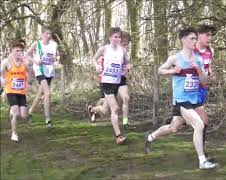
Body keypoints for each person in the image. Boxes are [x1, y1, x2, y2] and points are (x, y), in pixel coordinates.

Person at [144, 27, 218, 169]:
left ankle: (151, 136)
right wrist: (172, 71)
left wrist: (200, 71)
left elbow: (203, 81)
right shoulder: (175, 58)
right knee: (199, 124)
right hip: (181, 99)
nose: (195, 41)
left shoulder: (198, 59)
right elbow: (160, 70)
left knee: (173, 128)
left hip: (193, 99)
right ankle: (202, 161)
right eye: (192, 38)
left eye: (196, 39)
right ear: (183, 40)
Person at [87, 27, 128, 145]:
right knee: (115, 108)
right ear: (110, 38)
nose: (118, 39)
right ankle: (118, 136)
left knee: (105, 110)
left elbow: (127, 62)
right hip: (106, 82)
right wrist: (96, 65)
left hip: (117, 82)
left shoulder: (122, 51)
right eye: (115, 37)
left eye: (119, 37)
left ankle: (92, 110)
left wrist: (127, 67)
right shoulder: (104, 49)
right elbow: (93, 59)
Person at [26, 26, 60, 128]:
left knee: (40, 93)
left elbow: (58, 55)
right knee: (47, 93)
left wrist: (57, 61)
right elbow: (27, 55)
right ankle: (48, 119)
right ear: (42, 34)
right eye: (47, 34)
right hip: (39, 71)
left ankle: (30, 112)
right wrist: (34, 60)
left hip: (49, 71)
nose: (49, 36)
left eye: (50, 34)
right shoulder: (37, 44)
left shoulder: (54, 44)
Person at [1, 40, 32, 141]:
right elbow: (1, 72)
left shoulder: (24, 61)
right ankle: (14, 134)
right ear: (12, 51)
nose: (19, 53)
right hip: (11, 91)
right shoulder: (7, 62)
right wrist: (2, 80)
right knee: (16, 113)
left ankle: (13, 111)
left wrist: (29, 83)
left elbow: (28, 72)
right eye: (17, 51)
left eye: (21, 51)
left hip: (21, 92)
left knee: (23, 115)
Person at [194, 24, 217, 160]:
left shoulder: (210, 51)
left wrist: (211, 75)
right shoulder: (190, 52)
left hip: (203, 89)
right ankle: (202, 155)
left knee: (175, 125)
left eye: (211, 35)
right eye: (207, 35)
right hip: (192, 90)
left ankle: (152, 136)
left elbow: (208, 68)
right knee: (204, 120)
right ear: (199, 35)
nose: (210, 38)